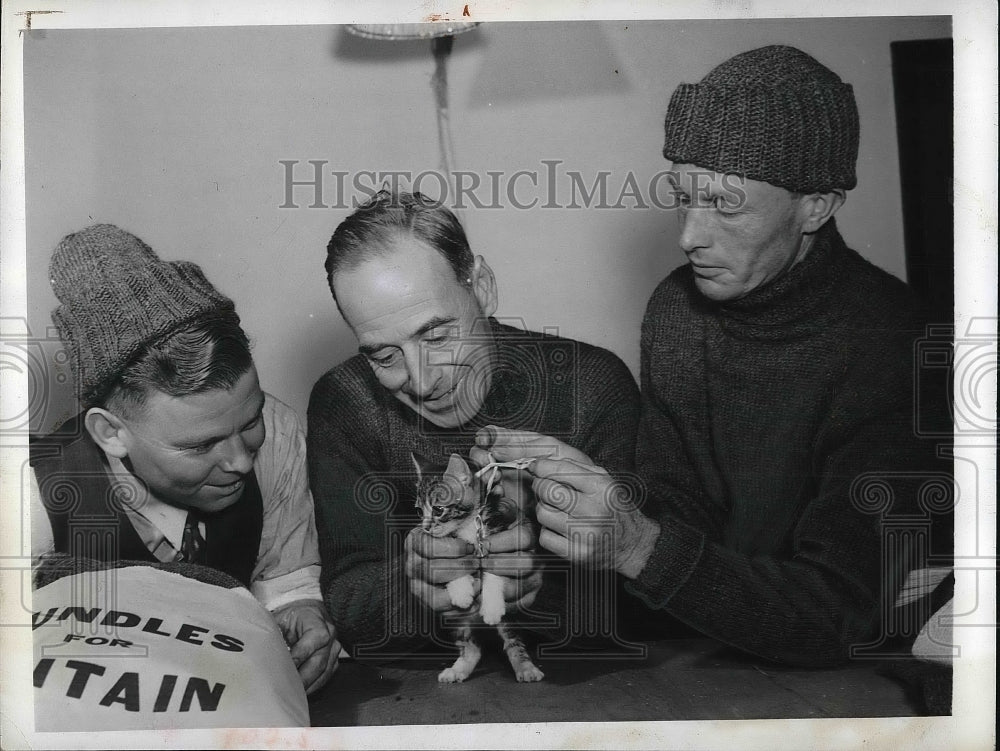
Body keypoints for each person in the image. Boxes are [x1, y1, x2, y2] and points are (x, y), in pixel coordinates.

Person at [478, 45, 949, 666]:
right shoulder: (678, 310)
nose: (689, 235)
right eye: (683, 196)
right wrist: (564, 511)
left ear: (817, 205)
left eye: (726, 204)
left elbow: (838, 615)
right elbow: (678, 529)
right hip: (721, 650)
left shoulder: (899, 343)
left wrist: (634, 544)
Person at [307, 190, 640, 655]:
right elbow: (346, 603)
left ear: (481, 285)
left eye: (438, 336)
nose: (422, 382)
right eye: (384, 356)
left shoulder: (592, 386)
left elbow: (644, 601)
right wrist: (414, 585)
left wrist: (539, 587)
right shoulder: (345, 400)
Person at [30, 224, 339, 694]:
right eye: (200, 445)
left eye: (248, 420)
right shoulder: (27, 498)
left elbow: (285, 581)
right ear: (110, 433)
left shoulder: (276, 431)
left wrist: (299, 613)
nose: (240, 461)